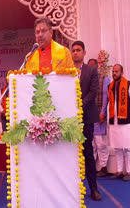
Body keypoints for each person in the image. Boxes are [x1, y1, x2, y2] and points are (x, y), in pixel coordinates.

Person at [71, 41, 102, 201]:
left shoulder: (91, 70)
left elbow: (93, 91)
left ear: (84, 52)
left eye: (78, 50)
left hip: (85, 118)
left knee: (87, 153)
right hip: (69, 120)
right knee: (69, 154)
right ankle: (70, 190)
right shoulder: (66, 71)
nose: (75, 53)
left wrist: (79, 106)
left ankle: (94, 189)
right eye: (73, 50)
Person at [88, 59, 110, 177]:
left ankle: (104, 167)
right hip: (89, 116)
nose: (91, 67)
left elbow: (107, 98)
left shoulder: (104, 78)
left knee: (101, 143)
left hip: (100, 115)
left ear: (97, 67)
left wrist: (103, 114)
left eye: (93, 66)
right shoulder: (87, 79)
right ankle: (93, 168)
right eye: (89, 65)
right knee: (91, 144)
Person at [108, 64, 130, 181]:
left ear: (121, 72)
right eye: (113, 71)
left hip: (126, 121)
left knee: (127, 148)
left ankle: (129, 171)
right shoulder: (110, 86)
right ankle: (119, 171)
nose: (114, 73)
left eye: (116, 71)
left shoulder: (128, 84)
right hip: (114, 121)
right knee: (117, 148)